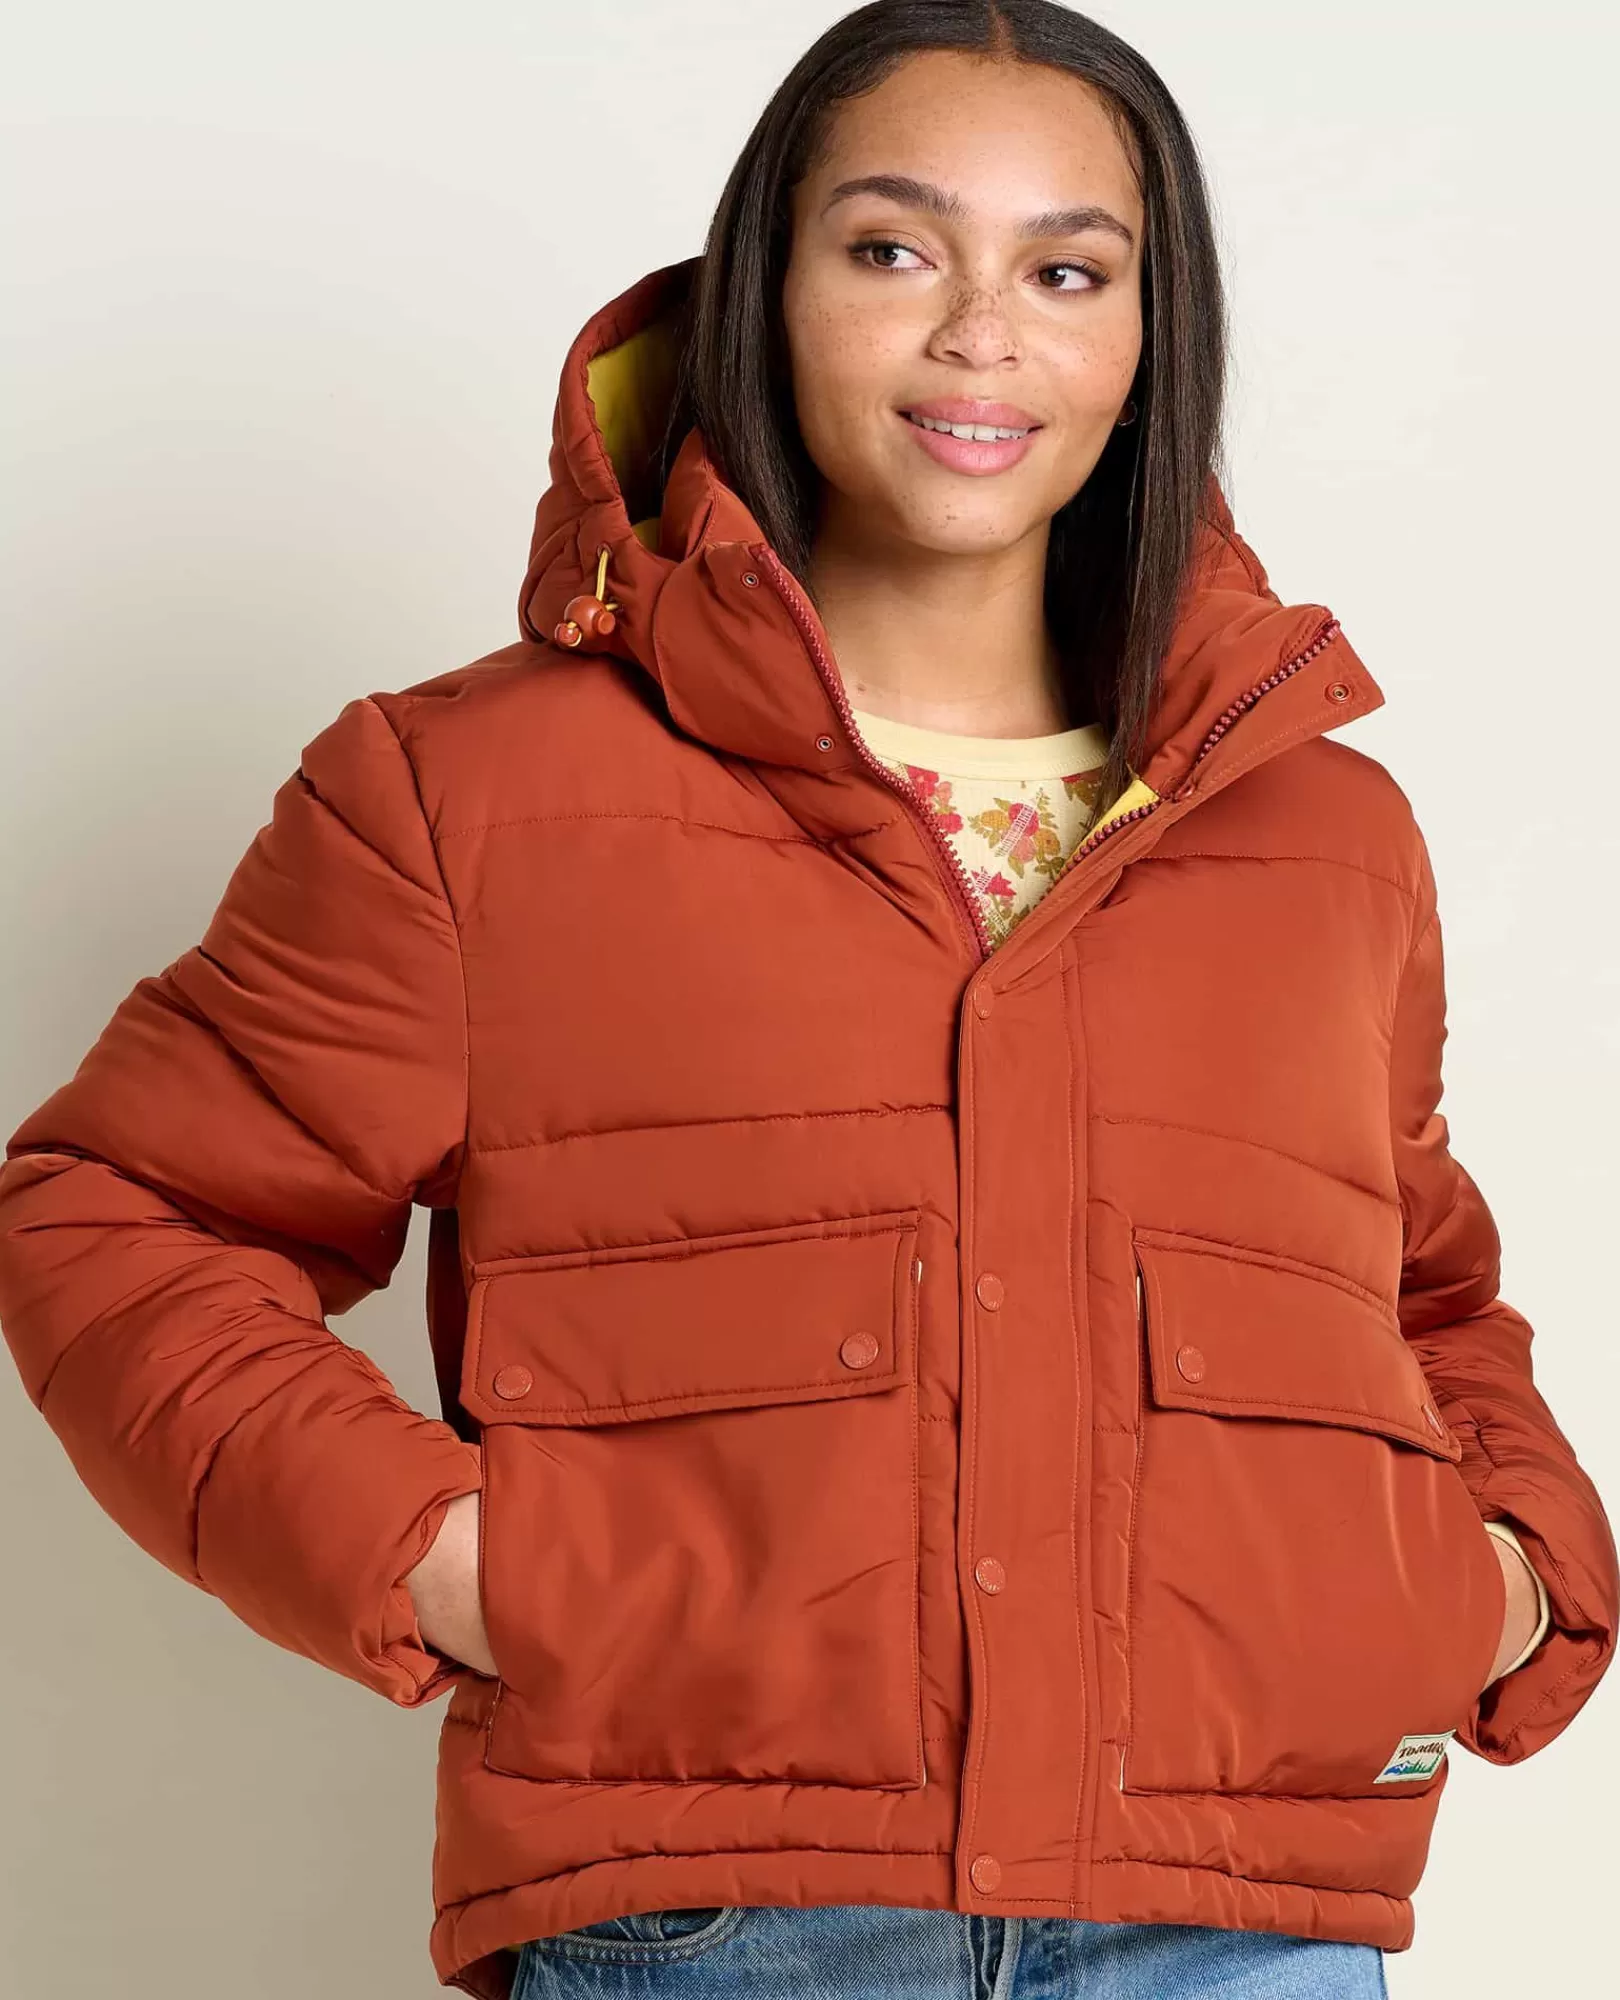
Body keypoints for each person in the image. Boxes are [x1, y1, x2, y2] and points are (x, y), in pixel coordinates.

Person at [1, 3, 1615, 1997]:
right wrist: (448, 1563)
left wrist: (1500, 1583)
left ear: (1149, 339)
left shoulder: (1324, 834)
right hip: (723, 1924)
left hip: (1244, 1932)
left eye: (1068, 271)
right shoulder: (469, 792)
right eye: (893, 248)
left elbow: (1420, 1299)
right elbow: (123, 1213)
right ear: (765, 290)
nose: (981, 333)